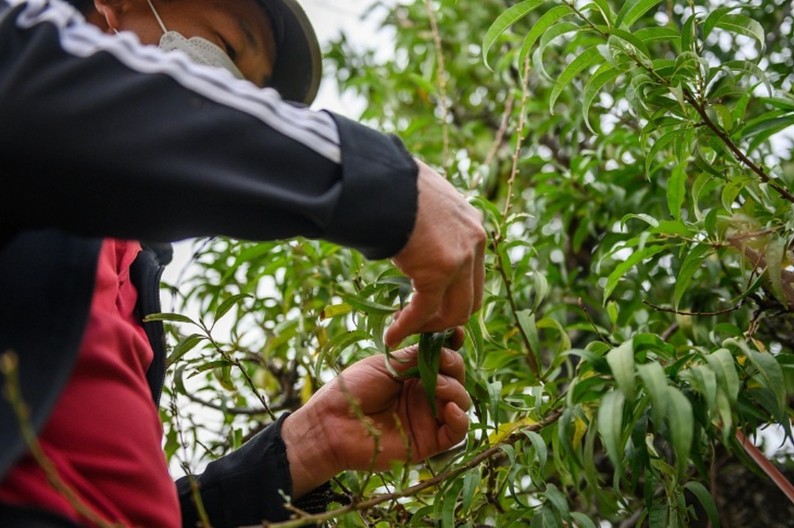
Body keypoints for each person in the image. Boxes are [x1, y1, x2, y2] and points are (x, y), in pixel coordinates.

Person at [0, 0, 486, 526]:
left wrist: (311, 443)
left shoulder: (132, 280)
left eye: (254, 96)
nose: (232, 96)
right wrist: (385, 185)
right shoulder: (25, 65)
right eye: (229, 48)